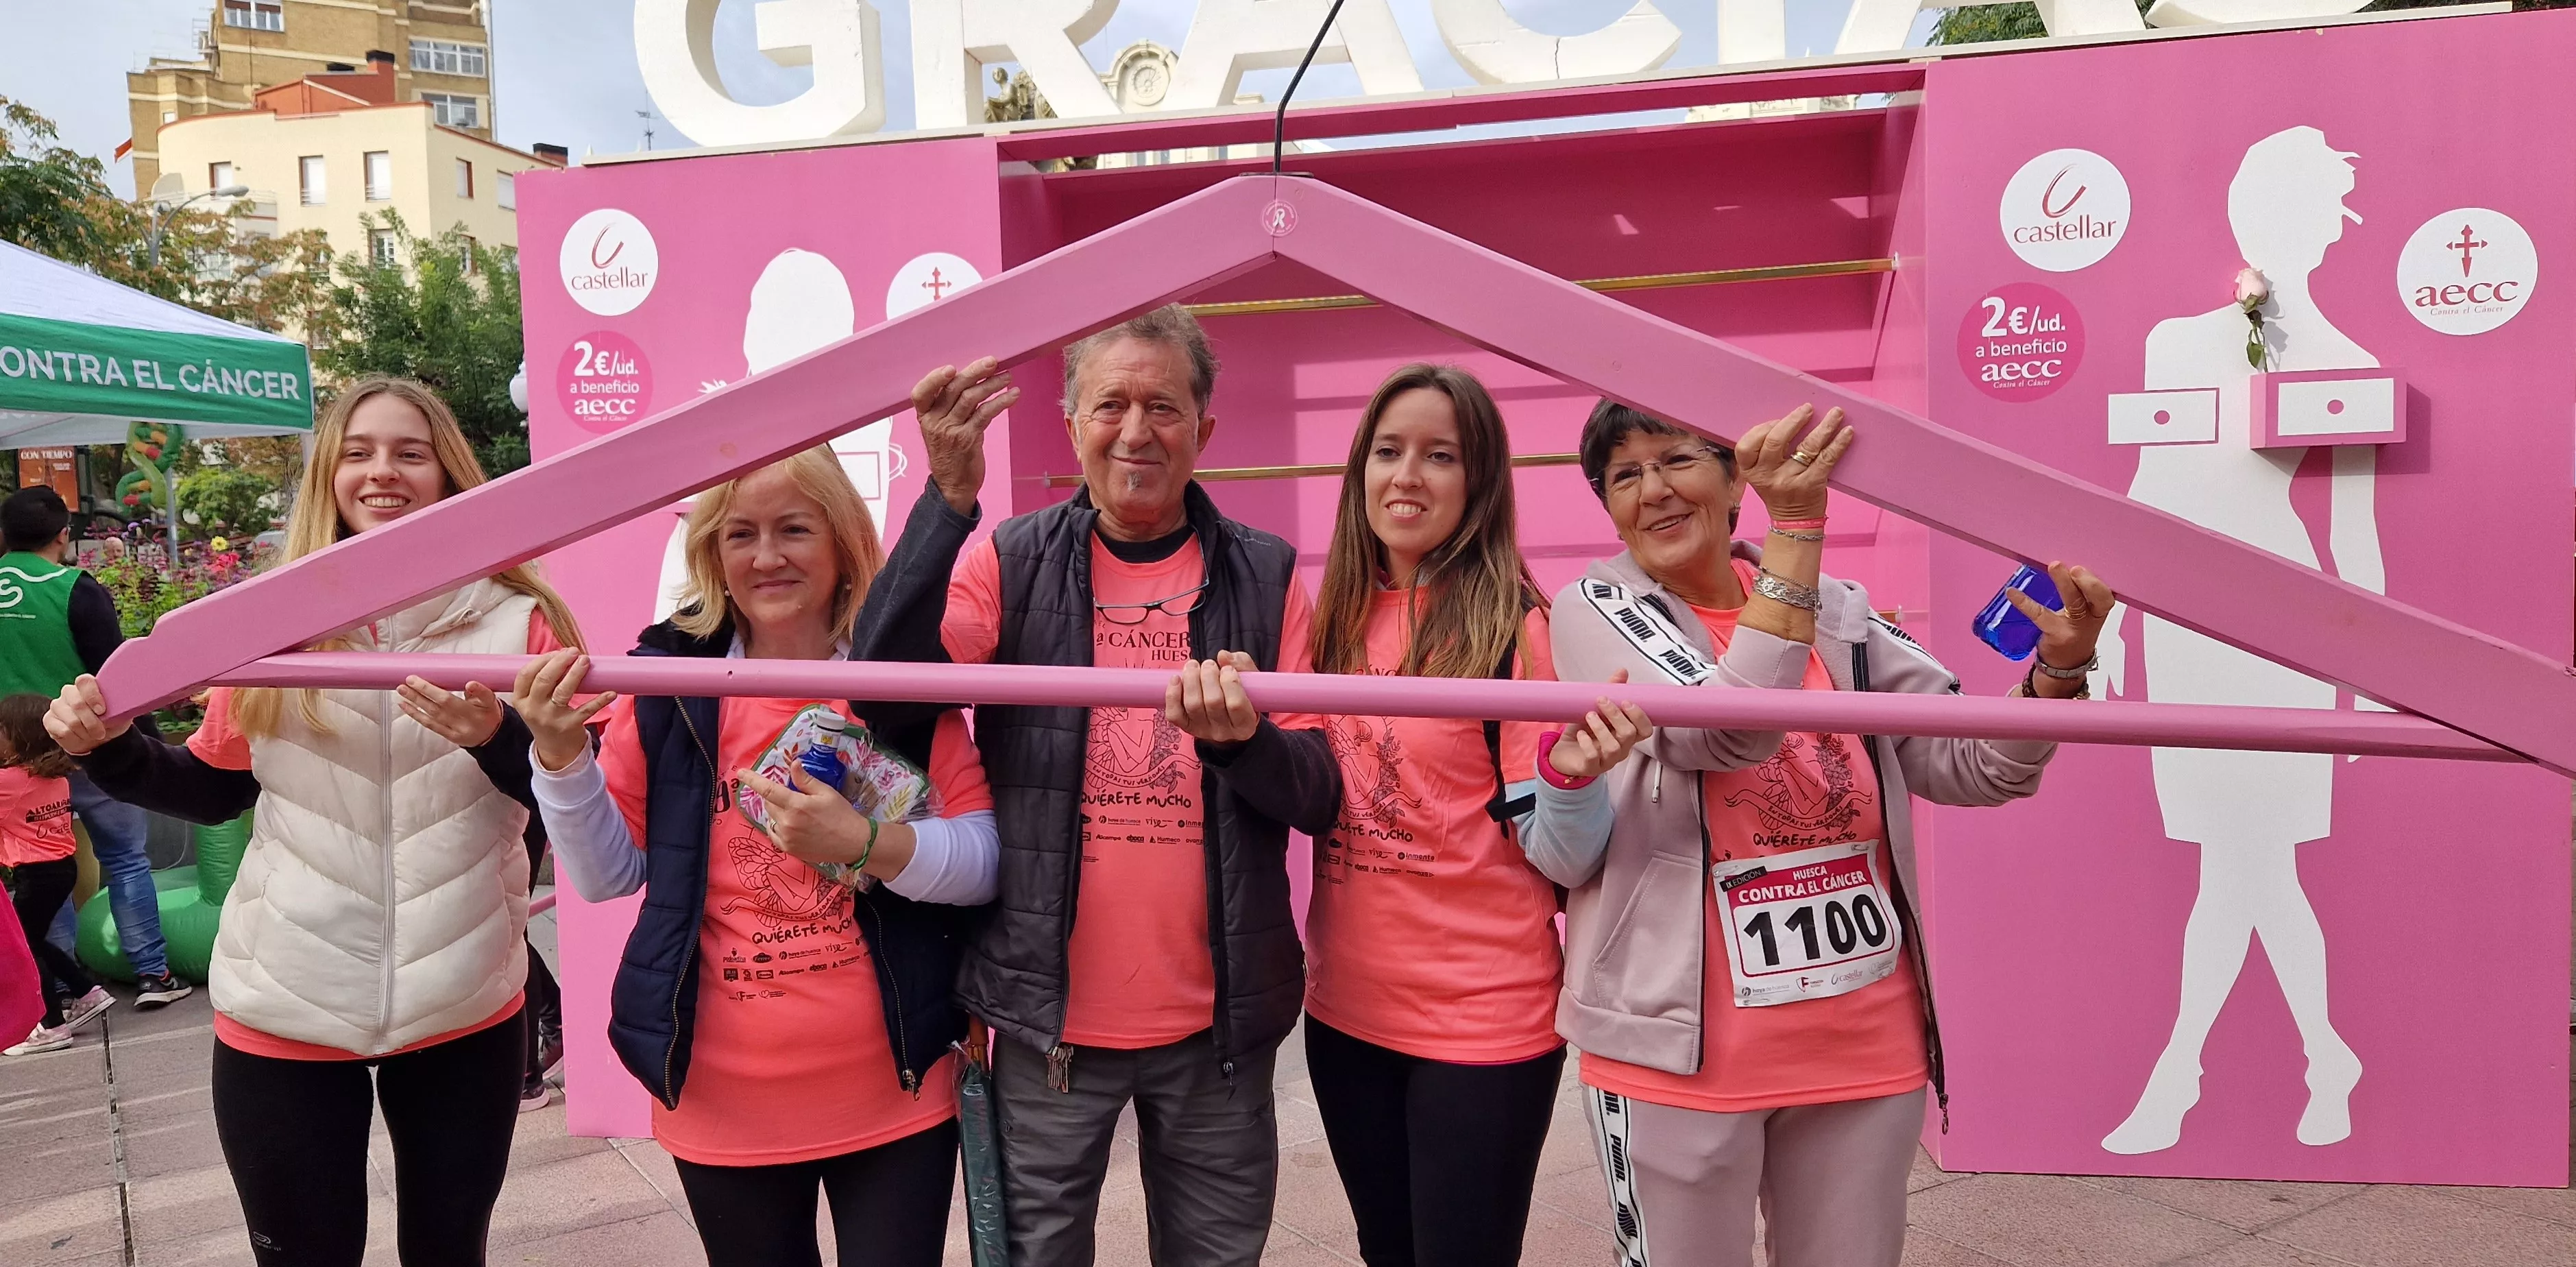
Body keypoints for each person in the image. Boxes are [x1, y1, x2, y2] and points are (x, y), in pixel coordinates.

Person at [1540, 400, 2113, 1267]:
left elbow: (1974, 768)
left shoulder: (1840, 612)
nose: (1653, 490)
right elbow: (1727, 733)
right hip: (1678, 1057)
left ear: (1736, 479)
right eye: (1624, 476)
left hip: (1863, 1044)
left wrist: (2057, 672)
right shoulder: (1597, 606)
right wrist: (1797, 534)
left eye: (1676, 460)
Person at [46, 376, 581, 1267]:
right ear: (329, 474)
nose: (383, 472)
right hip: (285, 997)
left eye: (411, 453)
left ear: (450, 474)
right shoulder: (267, 629)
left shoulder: (525, 624)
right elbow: (216, 788)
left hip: (465, 1001)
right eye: (360, 453)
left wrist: (498, 739)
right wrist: (107, 748)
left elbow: (571, 805)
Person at [862, 304, 1344, 1267]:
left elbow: (1317, 794)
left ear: (1205, 428)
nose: (1135, 432)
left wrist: (1242, 742)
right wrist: (945, 497)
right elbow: (887, 696)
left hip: (1221, 1024)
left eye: (1163, 406)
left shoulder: (1268, 573)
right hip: (1049, 1028)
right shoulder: (1008, 560)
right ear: (1071, 419)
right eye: (1110, 404)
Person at [520, 448, 1001, 1267]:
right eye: (739, 533)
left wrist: (864, 844)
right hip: (721, 1097)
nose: (766, 556)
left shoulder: (898, 682)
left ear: (844, 542)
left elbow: (984, 863)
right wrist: (561, 764)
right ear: (711, 554)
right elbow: (607, 877)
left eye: (793, 529)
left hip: (896, 1090)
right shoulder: (668, 688)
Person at [1299, 365, 1651, 1267]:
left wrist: (1570, 780)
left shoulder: (1515, 629)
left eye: (1439, 456)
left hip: (1483, 1026)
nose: (1406, 475)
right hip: (1344, 1016)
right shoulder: (1326, 620)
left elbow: (1564, 858)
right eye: (1387, 451)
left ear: (1480, 479)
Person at [0, 486, 189, 1009]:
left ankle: (59, 987)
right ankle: (153, 975)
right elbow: (117, 677)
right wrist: (150, 747)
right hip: (91, 751)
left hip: (16, 769)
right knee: (127, 860)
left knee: (36, 870)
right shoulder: (73, 588)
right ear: (64, 535)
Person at [2, 694, 115, 1055]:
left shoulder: (10, 782)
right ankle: (86, 991)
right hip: (61, 869)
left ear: (17, 735)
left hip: (34, 875)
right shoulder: (55, 776)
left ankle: (52, 1026)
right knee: (34, 940)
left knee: (26, 948)